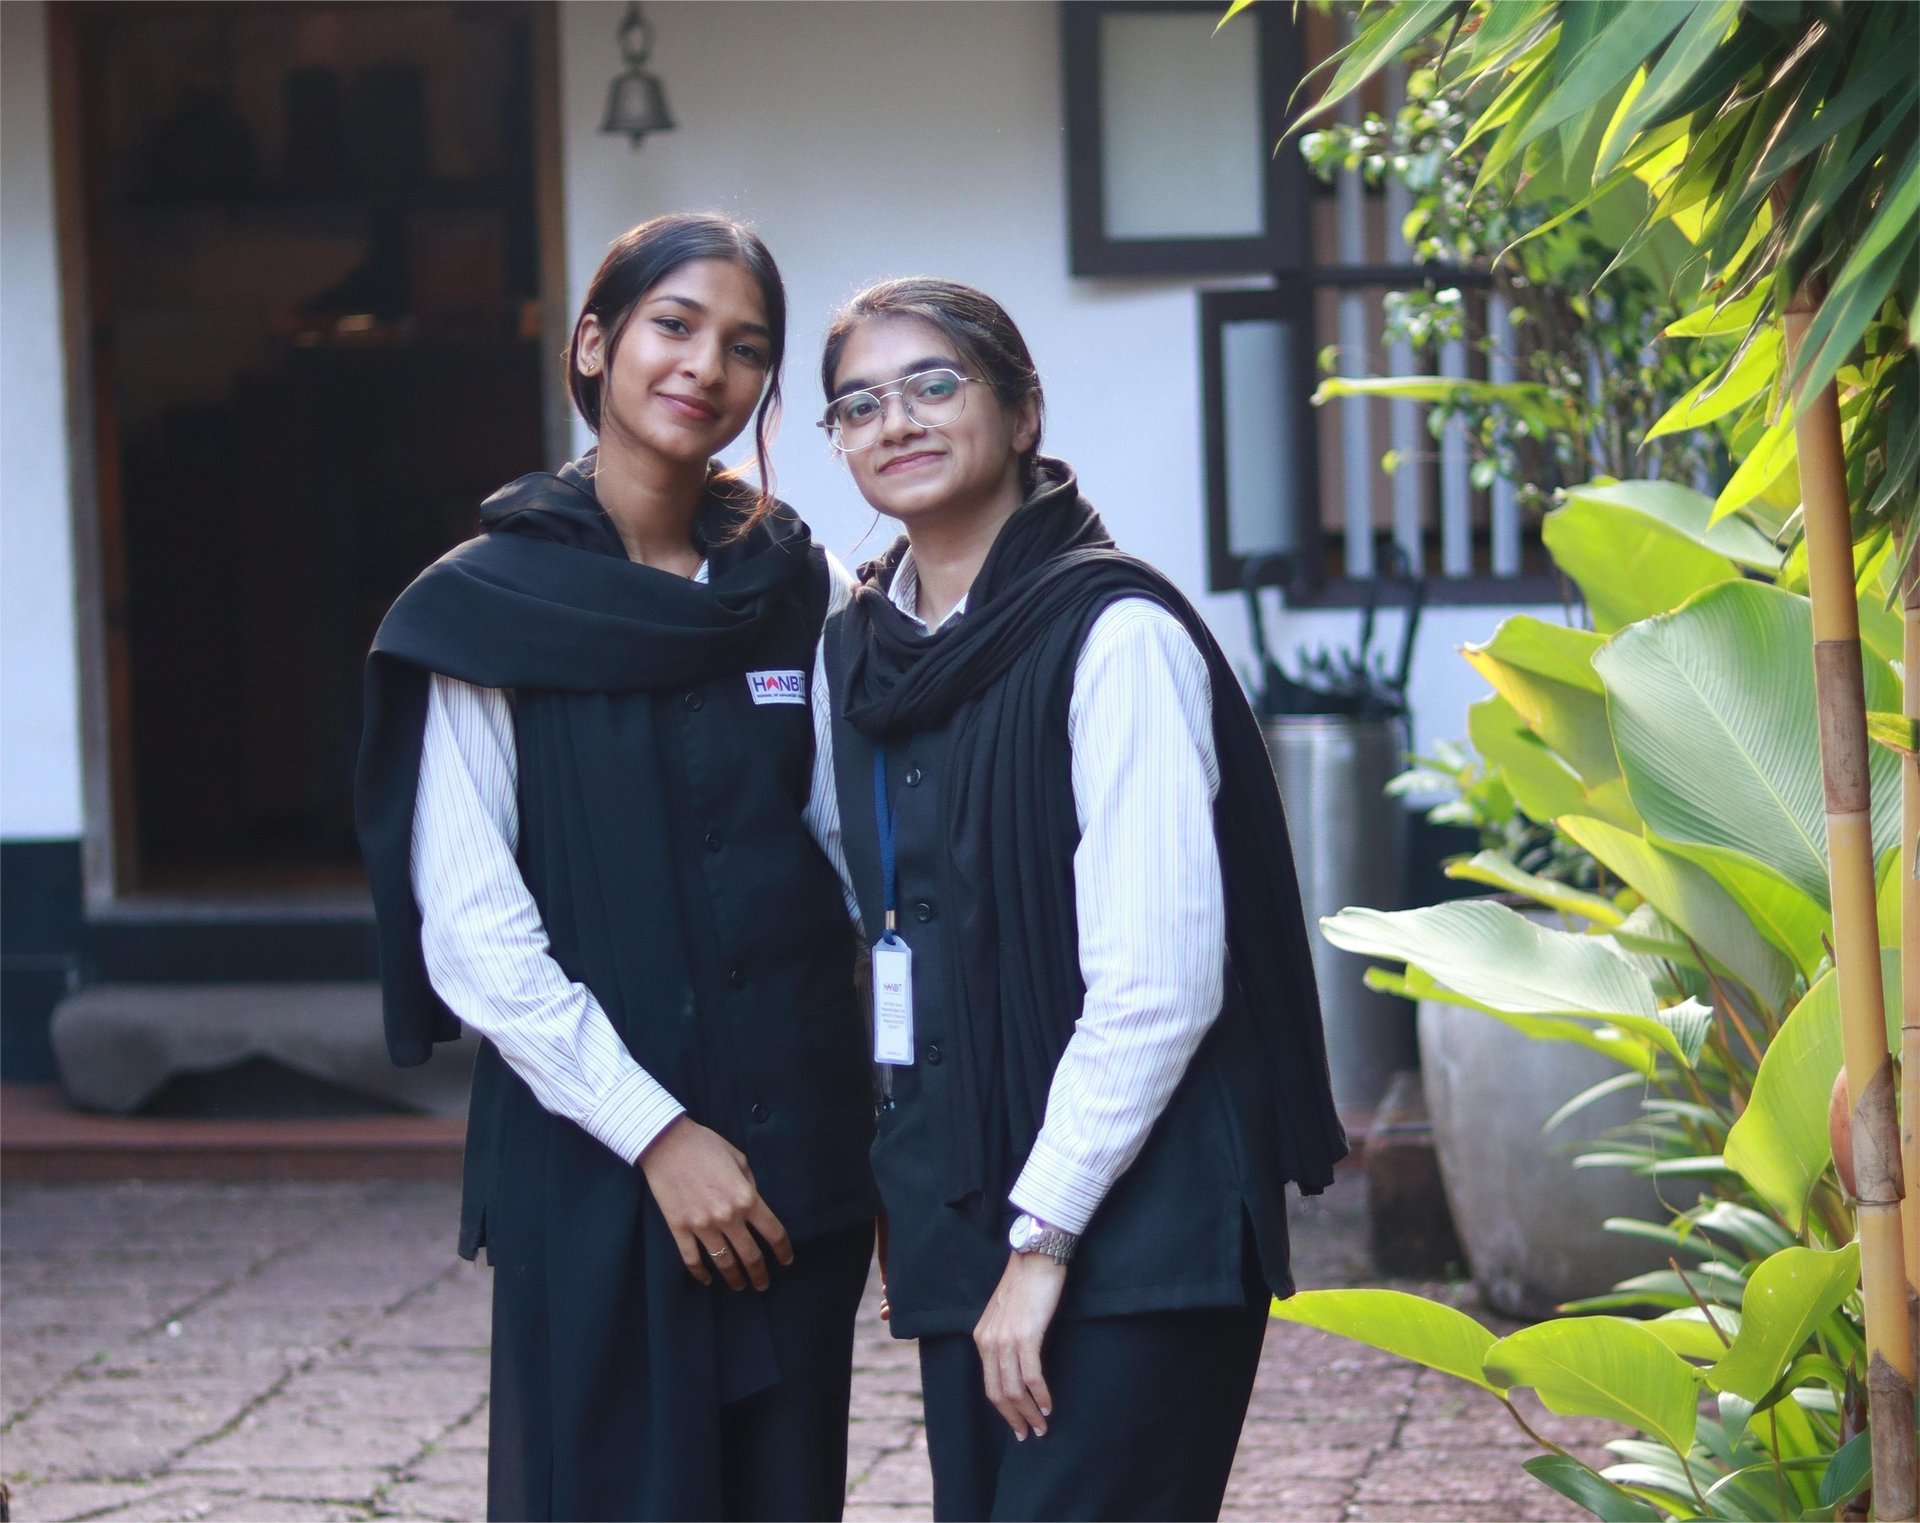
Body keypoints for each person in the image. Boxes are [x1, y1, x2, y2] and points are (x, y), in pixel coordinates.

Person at [354, 213, 874, 1522]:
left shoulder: (787, 584)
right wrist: (656, 1132)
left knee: (784, 1494)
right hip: (596, 1157)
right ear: (596, 343)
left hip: (795, 1156)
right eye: (676, 325)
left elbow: (838, 844)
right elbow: (473, 928)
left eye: (746, 345)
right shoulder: (485, 606)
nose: (708, 364)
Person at [814, 278, 1348, 1522]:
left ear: (1022, 409)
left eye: (933, 383)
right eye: (857, 402)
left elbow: (1161, 985)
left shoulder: (1113, 633)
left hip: (1133, 1236)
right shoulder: (862, 655)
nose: (895, 418)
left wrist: (1039, 1242)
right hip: (966, 1228)